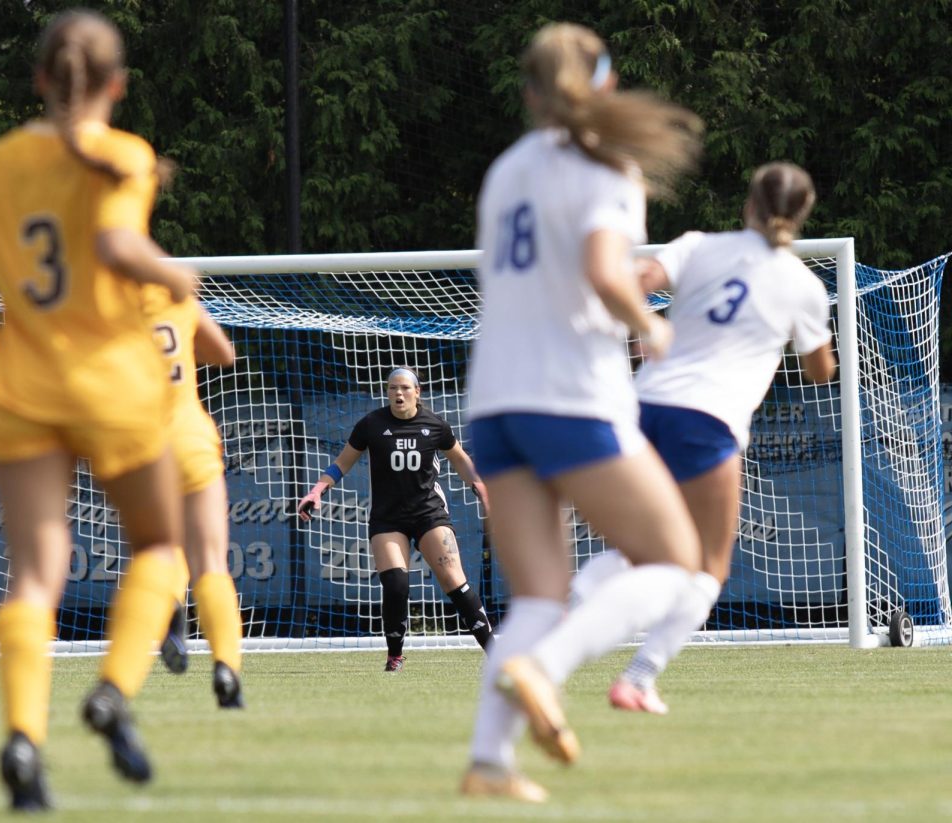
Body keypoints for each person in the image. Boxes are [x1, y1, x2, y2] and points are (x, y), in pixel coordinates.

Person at [0, 9, 197, 811]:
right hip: (112, 383)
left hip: (21, 385)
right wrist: (177, 276)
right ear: (116, 85)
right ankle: (114, 691)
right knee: (158, 544)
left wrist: (17, 278)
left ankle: (22, 737)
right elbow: (119, 247)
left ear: (42, 78)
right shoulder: (123, 154)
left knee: (34, 578)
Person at [459, 23, 706, 801]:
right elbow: (606, 271)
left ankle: (487, 765)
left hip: (493, 401)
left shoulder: (506, 170)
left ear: (529, 93)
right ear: (603, 84)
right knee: (675, 563)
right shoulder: (606, 168)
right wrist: (652, 320)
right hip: (569, 396)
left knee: (536, 595)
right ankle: (544, 671)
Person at [587, 161, 835, 714]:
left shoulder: (699, 245)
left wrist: (645, 330)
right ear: (802, 215)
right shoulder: (804, 286)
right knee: (707, 567)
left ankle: (553, 626)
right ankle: (639, 677)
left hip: (644, 404)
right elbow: (821, 371)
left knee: (637, 548)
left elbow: (638, 281)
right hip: (708, 419)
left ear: (748, 205)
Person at [296, 367, 494, 672]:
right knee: (397, 584)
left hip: (429, 513)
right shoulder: (372, 425)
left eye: (404, 388)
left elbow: (460, 460)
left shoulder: (435, 425)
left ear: (417, 392)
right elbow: (342, 463)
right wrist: (316, 491)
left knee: (454, 580)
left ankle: (496, 654)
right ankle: (395, 656)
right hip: (388, 518)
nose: (397, 393)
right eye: (392, 388)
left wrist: (480, 487)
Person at [143, 286, 246, 708]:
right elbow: (223, 354)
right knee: (211, 562)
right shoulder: (174, 298)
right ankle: (226, 666)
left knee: (162, 551)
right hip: (190, 437)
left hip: (141, 442)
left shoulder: (103, 306)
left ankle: (169, 611)